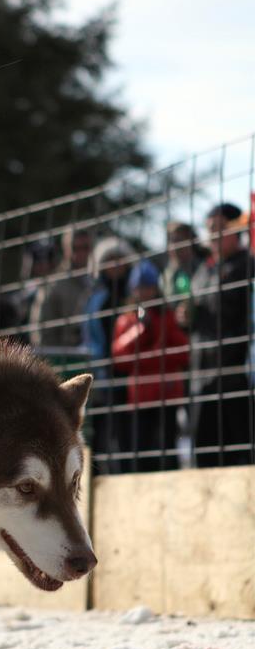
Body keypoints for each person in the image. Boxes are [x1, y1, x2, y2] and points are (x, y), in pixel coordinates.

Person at [181, 202, 254, 467]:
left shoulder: (247, 266)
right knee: (204, 454)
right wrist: (185, 319)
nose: (213, 235)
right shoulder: (204, 269)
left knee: (238, 454)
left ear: (238, 229)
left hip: (235, 376)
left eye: (220, 229)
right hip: (201, 376)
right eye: (210, 229)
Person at [112, 260, 189, 472]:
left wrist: (148, 356)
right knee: (141, 450)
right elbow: (119, 357)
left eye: (149, 287)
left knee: (167, 449)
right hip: (140, 396)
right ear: (132, 290)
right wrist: (140, 331)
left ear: (156, 289)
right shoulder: (126, 320)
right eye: (140, 287)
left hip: (167, 393)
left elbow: (183, 352)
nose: (144, 292)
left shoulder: (167, 317)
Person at [82, 236, 133, 473]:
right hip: (101, 377)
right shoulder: (96, 299)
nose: (114, 265)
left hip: (130, 377)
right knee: (100, 437)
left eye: (119, 259)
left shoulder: (134, 294)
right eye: (109, 260)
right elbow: (90, 337)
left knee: (127, 437)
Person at [30, 228, 93, 352]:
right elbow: (41, 333)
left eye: (85, 248)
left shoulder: (97, 281)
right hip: (65, 358)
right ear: (66, 249)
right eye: (75, 248)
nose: (81, 253)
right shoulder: (53, 285)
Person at [160, 221, 206, 306]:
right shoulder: (165, 277)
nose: (175, 246)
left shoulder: (205, 268)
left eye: (179, 240)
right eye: (171, 241)